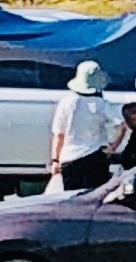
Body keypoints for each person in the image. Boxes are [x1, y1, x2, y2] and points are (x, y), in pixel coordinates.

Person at [51, 62, 122, 192]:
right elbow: (121, 125)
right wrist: (113, 146)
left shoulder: (66, 102)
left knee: (71, 196)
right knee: (96, 195)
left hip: (70, 157)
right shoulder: (102, 104)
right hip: (95, 156)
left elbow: (59, 134)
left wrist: (55, 160)